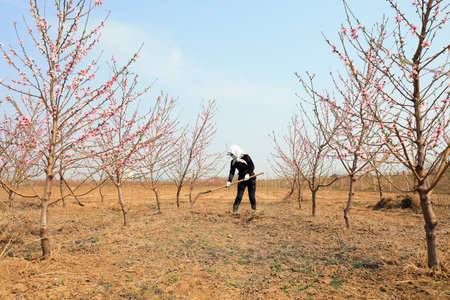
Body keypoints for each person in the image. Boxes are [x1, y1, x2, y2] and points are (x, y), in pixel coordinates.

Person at [226, 145, 256, 212]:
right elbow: (232, 172)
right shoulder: (233, 162)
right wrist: (229, 181)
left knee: (251, 196)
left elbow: (252, 167)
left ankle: (254, 211)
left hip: (251, 178)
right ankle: (234, 211)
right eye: (231, 155)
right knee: (239, 196)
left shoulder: (246, 157)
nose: (232, 156)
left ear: (236, 152)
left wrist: (248, 174)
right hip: (242, 179)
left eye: (232, 154)